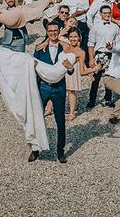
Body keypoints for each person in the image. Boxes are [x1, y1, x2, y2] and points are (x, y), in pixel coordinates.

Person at [31, 22, 74, 163]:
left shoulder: (65, 47)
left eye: (56, 30)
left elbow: (72, 69)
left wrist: (70, 68)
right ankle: (35, 150)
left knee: (60, 121)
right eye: (50, 31)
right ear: (46, 31)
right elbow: (32, 68)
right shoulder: (39, 48)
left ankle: (60, 152)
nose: (53, 33)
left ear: (60, 31)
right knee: (37, 118)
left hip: (59, 88)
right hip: (43, 87)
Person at [87, 6, 120, 109]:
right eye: (104, 13)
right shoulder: (95, 27)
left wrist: (116, 57)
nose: (107, 15)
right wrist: (91, 58)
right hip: (99, 54)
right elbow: (91, 44)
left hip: (111, 54)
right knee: (95, 80)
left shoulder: (115, 27)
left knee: (109, 78)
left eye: (109, 13)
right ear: (100, 14)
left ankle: (108, 99)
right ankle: (92, 101)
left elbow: (117, 44)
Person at [60, 27, 92, 121]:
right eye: (71, 36)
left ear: (79, 38)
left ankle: (72, 112)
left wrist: (92, 70)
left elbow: (82, 71)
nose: (73, 39)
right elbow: (53, 39)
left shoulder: (81, 52)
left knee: (70, 90)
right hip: (61, 70)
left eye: (75, 37)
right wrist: (60, 34)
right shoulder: (65, 46)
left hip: (72, 71)